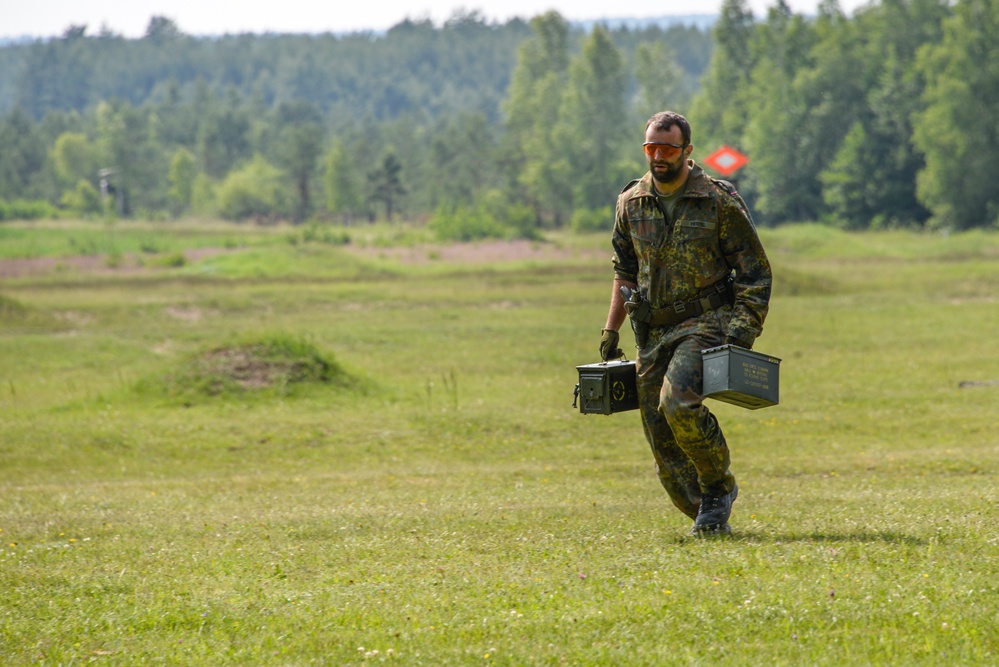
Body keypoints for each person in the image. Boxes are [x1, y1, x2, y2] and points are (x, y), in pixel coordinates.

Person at [599, 110, 772, 535]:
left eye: (667, 148)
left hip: (706, 322)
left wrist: (741, 332)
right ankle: (707, 513)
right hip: (652, 331)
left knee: (676, 403)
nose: (658, 156)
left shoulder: (717, 200)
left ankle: (718, 486)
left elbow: (754, 272)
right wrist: (610, 330)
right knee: (660, 436)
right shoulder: (630, 202)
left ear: (687, 151)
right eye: (651, 148)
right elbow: (624, 271)